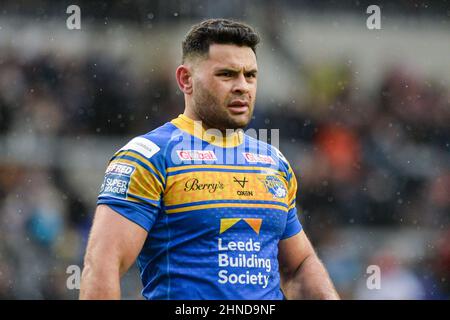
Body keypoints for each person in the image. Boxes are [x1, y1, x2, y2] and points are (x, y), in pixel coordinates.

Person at [79, 18, 339, 300]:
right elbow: (102, 265)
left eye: (250, 75)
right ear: (185, 80)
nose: (242, 86)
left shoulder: (273, 162)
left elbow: (299, 266)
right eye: (227, 75)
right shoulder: (147, 157)